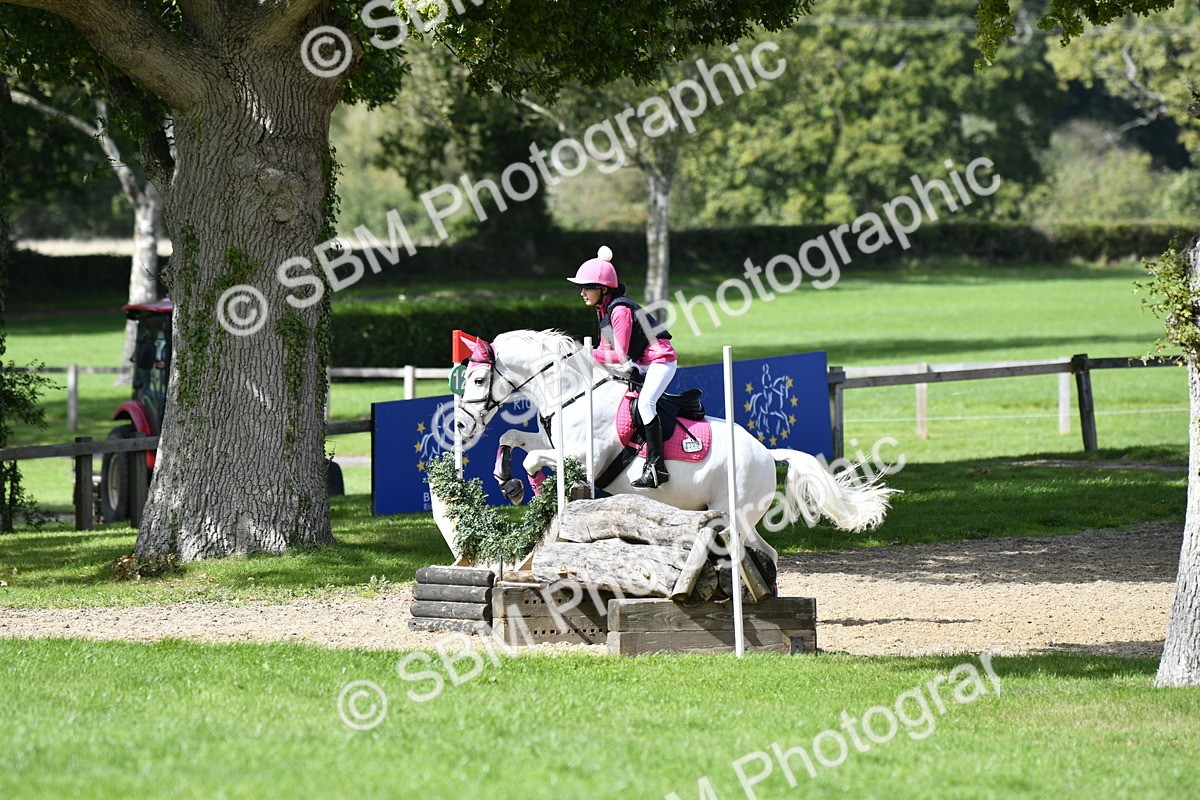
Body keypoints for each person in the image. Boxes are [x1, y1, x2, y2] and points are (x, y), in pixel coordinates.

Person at [568, 245, 677, 488]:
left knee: (647, 404)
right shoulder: (604, 309)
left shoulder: (619, 311)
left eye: (586, 288)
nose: (582, 293)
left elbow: (619, 355)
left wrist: (584, 353)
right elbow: (604, 351)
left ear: (603, 288)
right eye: (581, 288)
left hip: (660, 361)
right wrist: (583, 355)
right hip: (641, 363)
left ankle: (657, 468)